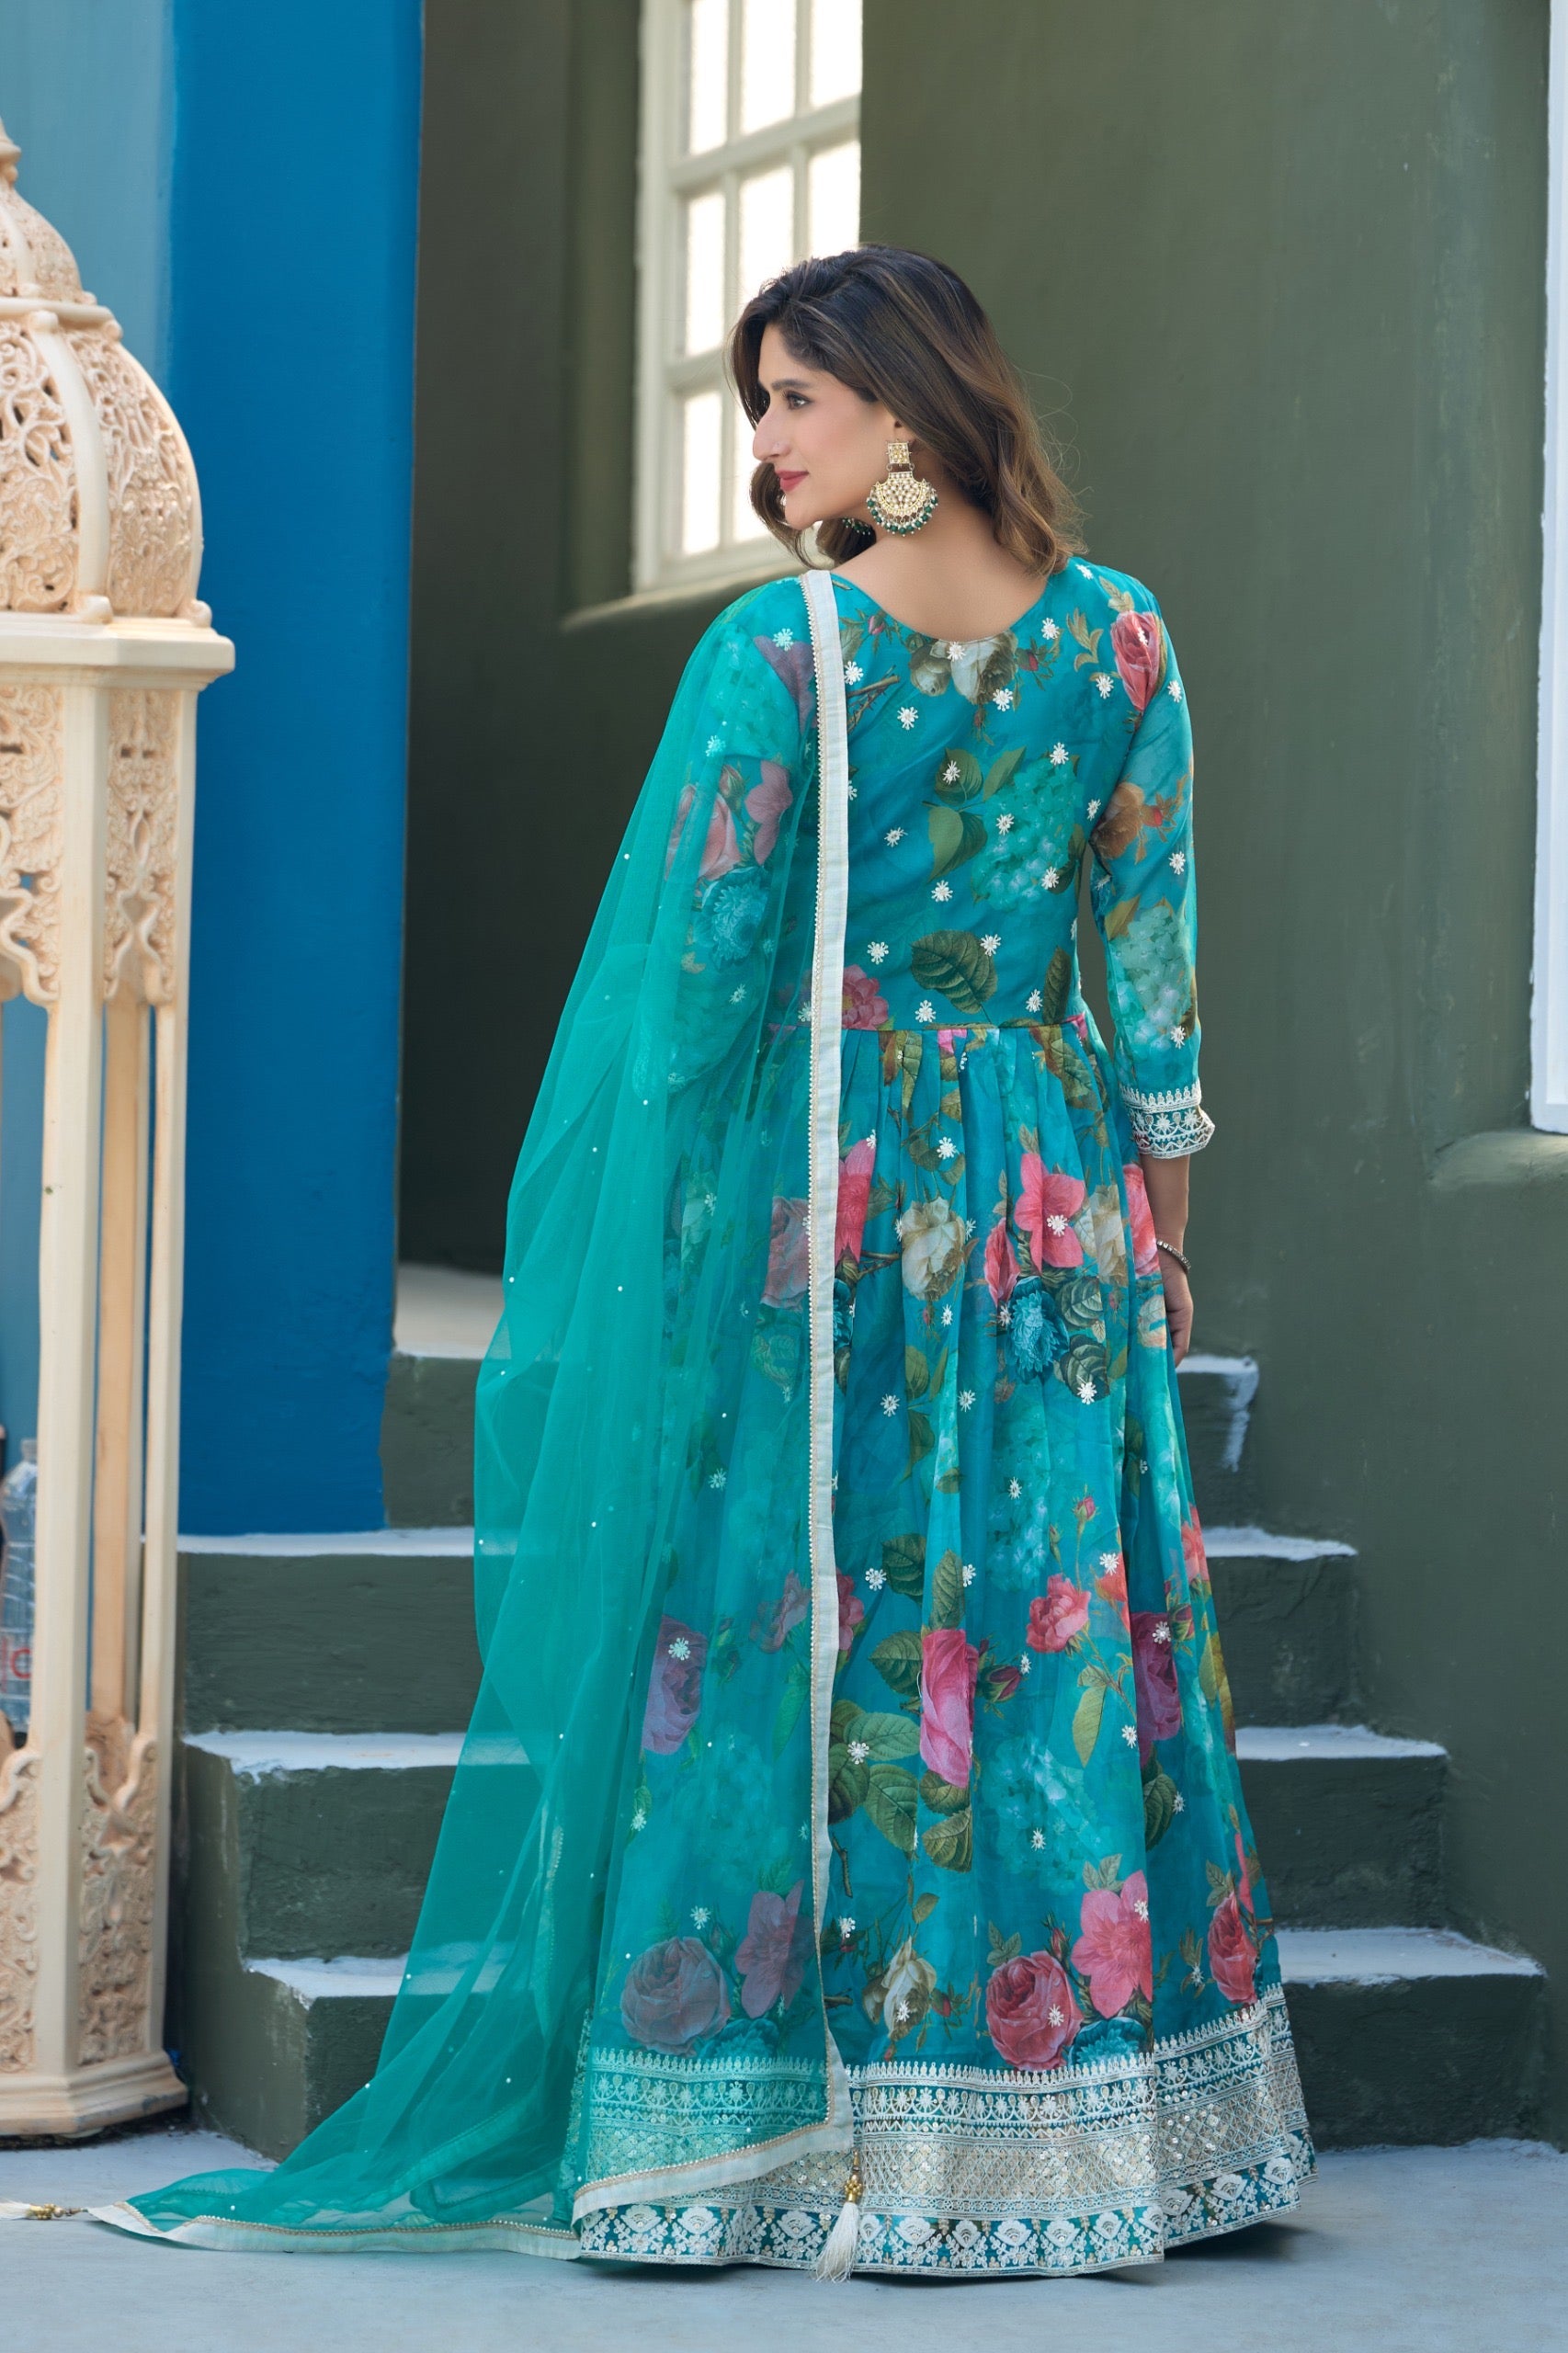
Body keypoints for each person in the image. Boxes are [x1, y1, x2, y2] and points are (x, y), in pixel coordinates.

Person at [102, 247, 1312, 2275]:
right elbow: (1152, 969)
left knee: (783, 1610)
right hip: (1051, 1201)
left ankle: (747, 2135)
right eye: (757, 403)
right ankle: (1070, 2126)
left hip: (829, 1188)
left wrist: (664, 1254)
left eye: (791, 399)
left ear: (904, 407)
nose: (764, 440)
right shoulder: (1120, 637)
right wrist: (1158, 1231)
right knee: (1042, 1616)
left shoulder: (786, 650)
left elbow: (699, 987)